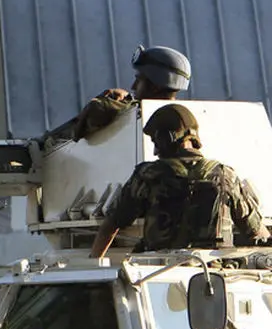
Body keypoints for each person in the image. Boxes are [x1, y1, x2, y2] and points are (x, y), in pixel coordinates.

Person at [90, 103, 269, 257]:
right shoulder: (225, 175)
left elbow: (112, 225)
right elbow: (256, 232)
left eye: (155, 142)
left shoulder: (148, 175)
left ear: (165, 139)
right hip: (214, 275)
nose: (155, 151)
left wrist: (94, 264)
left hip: (157, 273)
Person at [71, 45, 191, 141]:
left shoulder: (136, 116)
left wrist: (112, 102)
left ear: (155, 87)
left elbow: (80, 128)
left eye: (139, 80)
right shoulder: (189, 118)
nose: (133, 86)